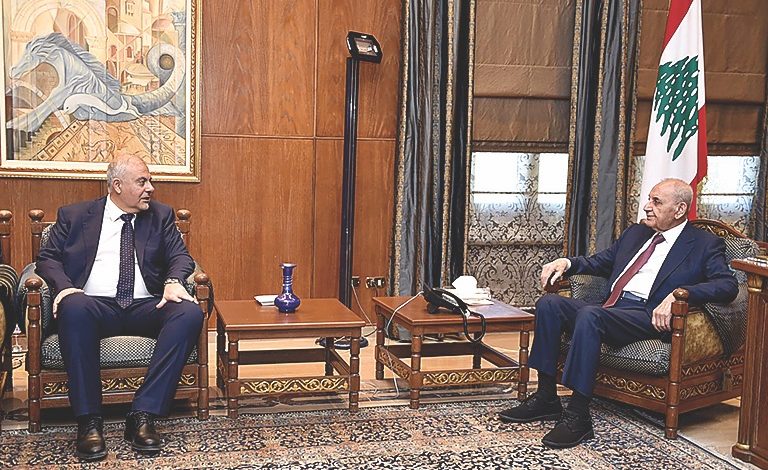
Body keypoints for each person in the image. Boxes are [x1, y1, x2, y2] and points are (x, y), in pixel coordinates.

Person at [498, 178, 738, 448]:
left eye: (656, 202)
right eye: (649, 199)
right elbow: (600, 262)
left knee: (590, 315)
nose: (647, 206)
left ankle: (578, 416)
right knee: (549, 304)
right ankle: (546, 398)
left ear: (680, 209)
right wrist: (566, 262)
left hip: (646, 314)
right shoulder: (637, 233)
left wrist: (680, 294)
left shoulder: (705, 244)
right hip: (612, 308)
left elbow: (728, 285)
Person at [35, 154, 204, 461]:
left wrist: (173, 281)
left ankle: (143, 413)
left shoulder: (161, 215)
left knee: (189, 312)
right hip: (93, 305)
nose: (150, 188)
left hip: (146, 305)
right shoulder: (75, 215)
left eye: (150, 181)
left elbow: (181, 257)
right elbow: (47, 259)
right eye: (142, 182)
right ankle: (89, 420)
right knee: (74, 307)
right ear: (117, 185)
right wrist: (65, 288)